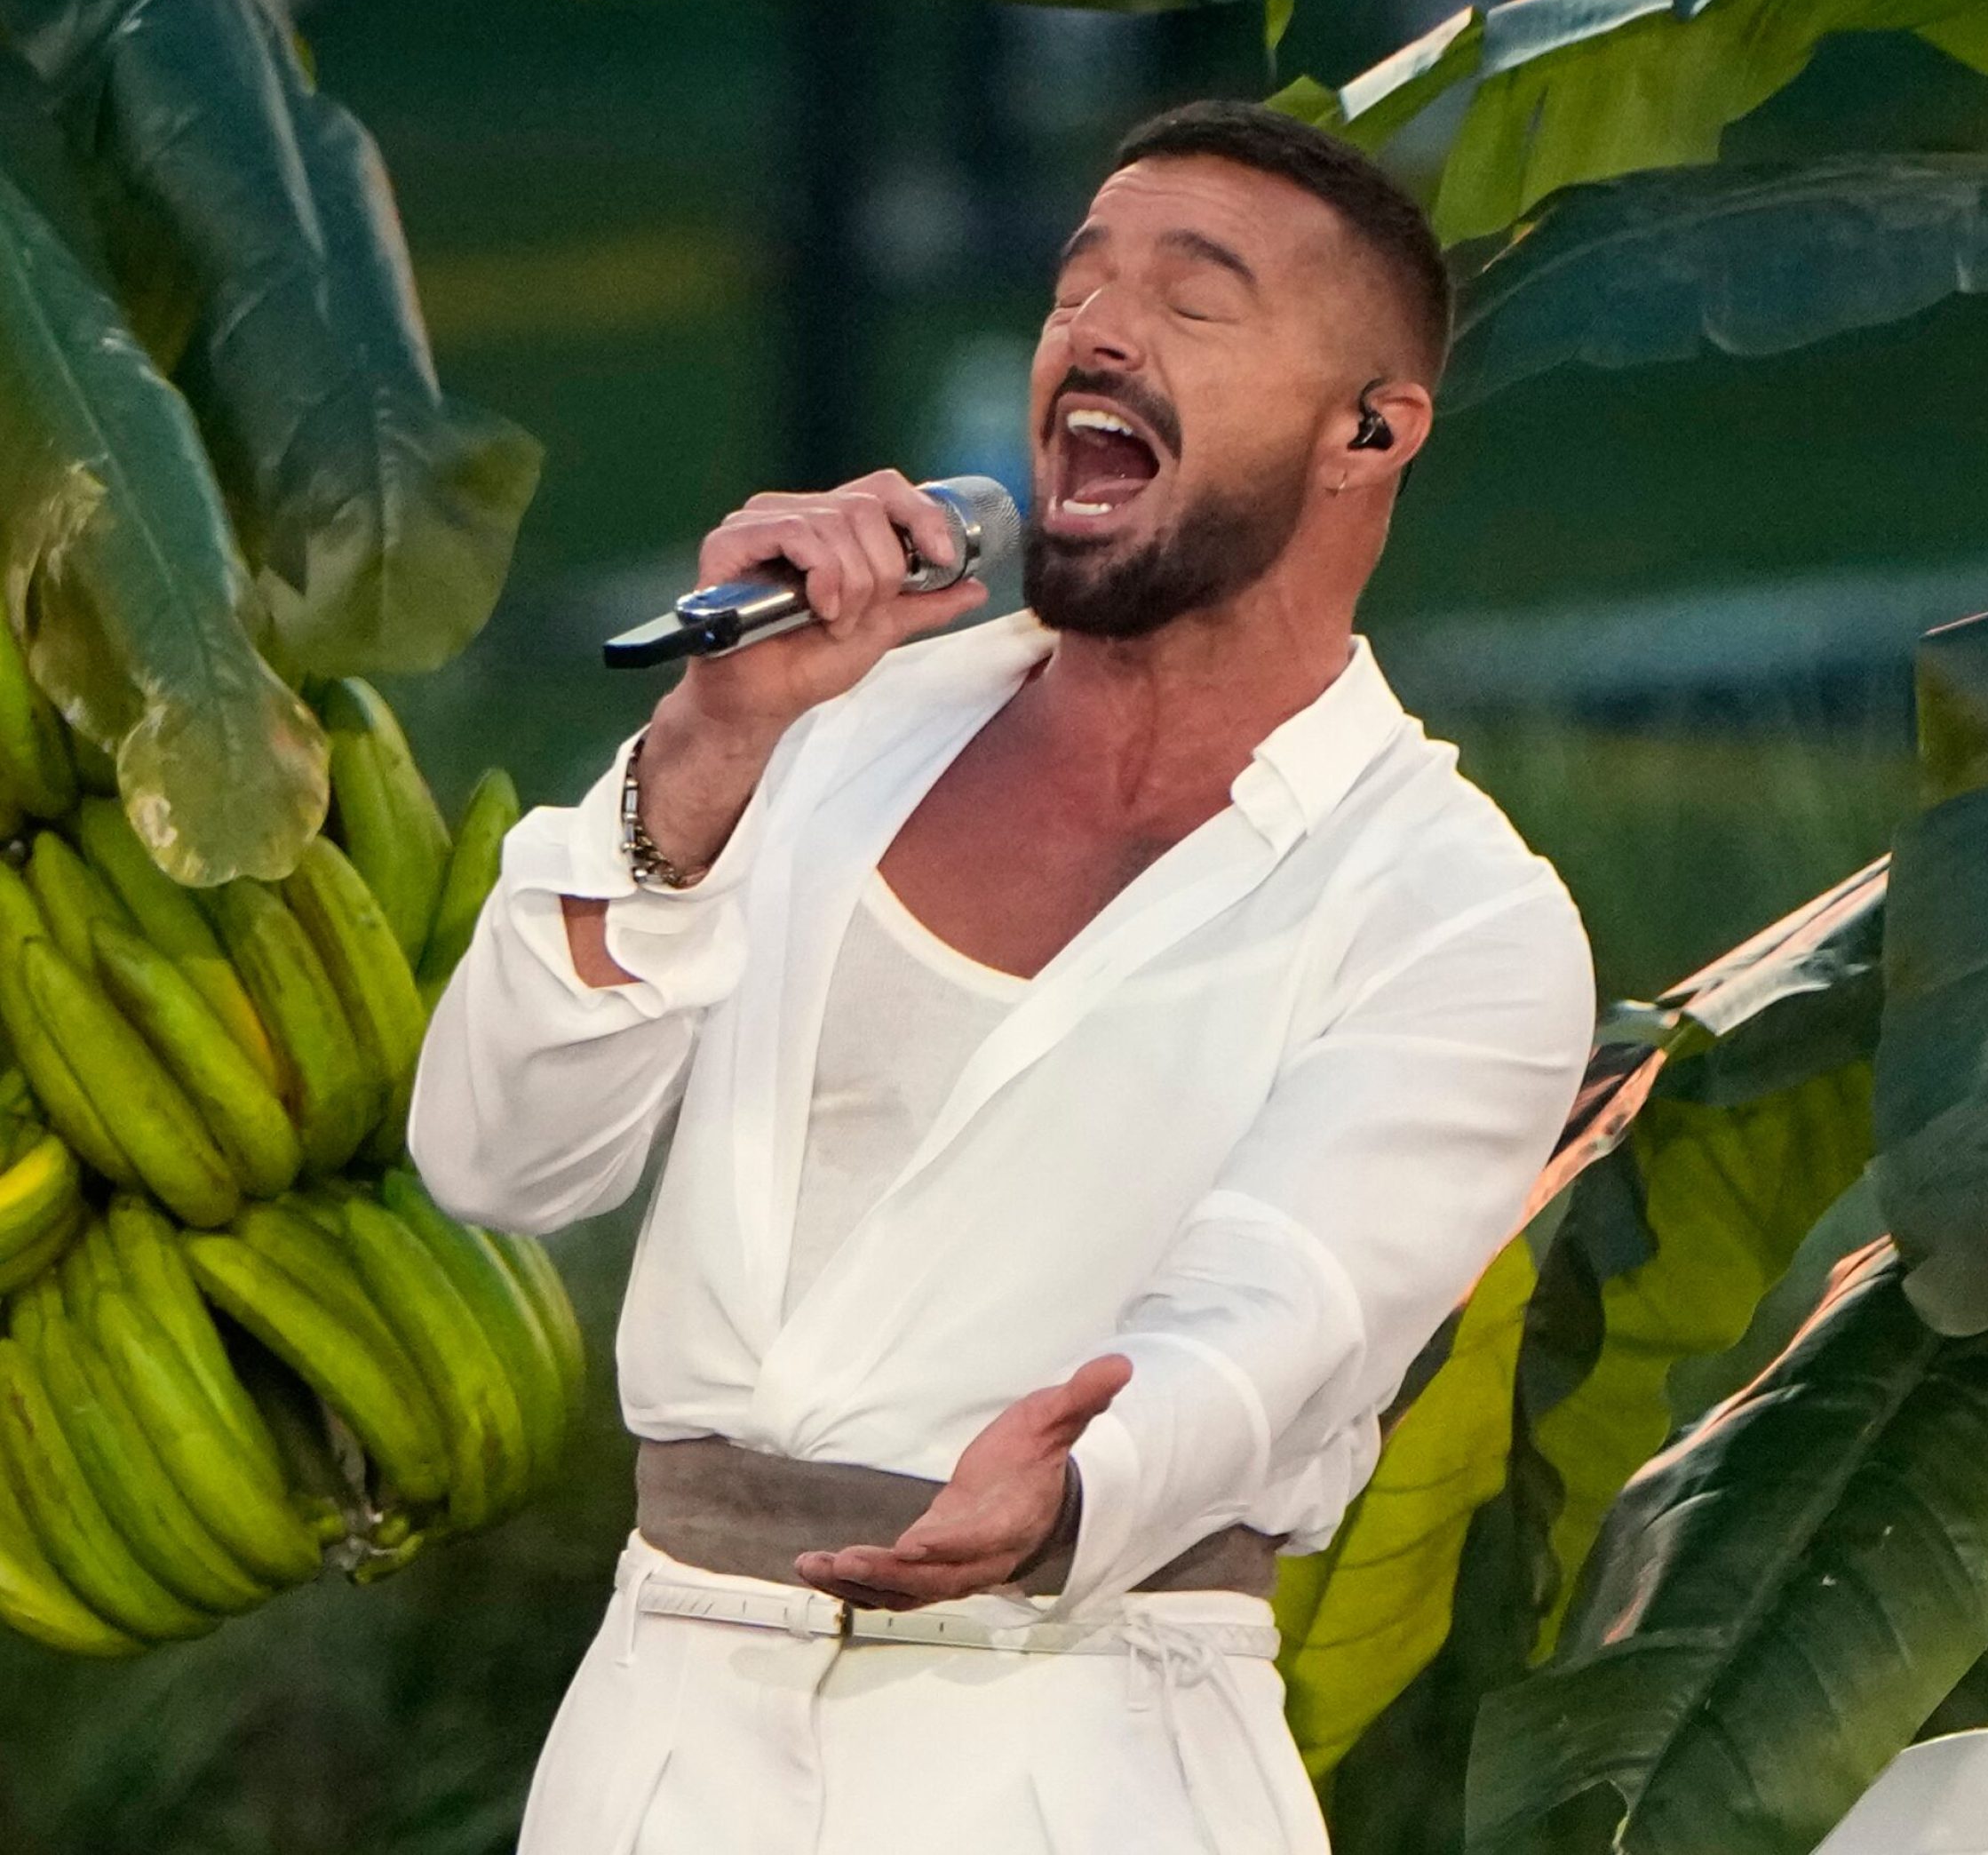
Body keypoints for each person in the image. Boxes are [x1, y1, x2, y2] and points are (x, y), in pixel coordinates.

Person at [409, 101, 1595, 1854]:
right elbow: (498, 1157)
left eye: (1192, 300)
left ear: (1369, 428)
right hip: (660, 1738)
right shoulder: (817, 728)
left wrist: (1080, 1477)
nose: (1096, 332)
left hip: (1085, 1730)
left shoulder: (1451, 911)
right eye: (1074, 288)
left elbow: (1289, 1302)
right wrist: (702, 750)